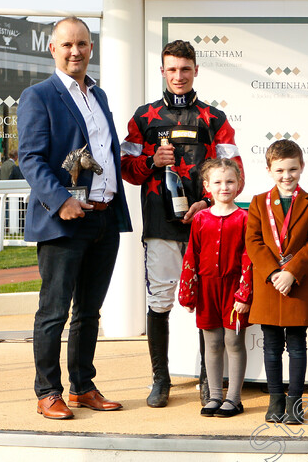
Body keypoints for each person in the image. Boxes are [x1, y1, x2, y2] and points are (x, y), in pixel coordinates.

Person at [18, 16, 132, 420]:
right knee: (53, 312)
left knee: (89, 312)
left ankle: (82, 386)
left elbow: (107, 154)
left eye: (82, 44)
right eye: (67, 45)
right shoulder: (39, 96)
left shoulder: (98, 96)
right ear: (52, 49)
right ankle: (48, 391)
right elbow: (29, 159)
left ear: (91, 48)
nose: (75, 51)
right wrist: (61, 199)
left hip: (104, 218)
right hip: (64, 220)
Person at [121, 40, 243, 408]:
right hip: (160, 224)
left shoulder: (214, 118)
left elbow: (236, 172)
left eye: (185, 69)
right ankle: (161, 380)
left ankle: (209, 381)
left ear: (195, 71)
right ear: (162, 71)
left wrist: (207, 202)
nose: (178, 76)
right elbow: (126, 170)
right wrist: (152, 162)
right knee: (160, 302)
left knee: (209, 302)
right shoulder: (143, 118)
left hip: (207, 226)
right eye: (171, 69)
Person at [246, 140, 308, 425]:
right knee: (270, 346)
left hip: (298, 283)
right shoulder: (258, 202)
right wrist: (273, 272)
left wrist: (291, 272)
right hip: (269, 285)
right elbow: (253, 242)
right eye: (279, 170)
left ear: (302, 167)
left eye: (292, 169)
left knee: (296, 346)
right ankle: (275, 400)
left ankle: (295, 404)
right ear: (269, 170)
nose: (286, 175)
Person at [178, 158, 252, 417]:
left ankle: (234, 397)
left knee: (233, 340)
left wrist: (244, 293)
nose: (224, 187)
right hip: (207, 288)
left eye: (230, 181)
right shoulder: (200, 219)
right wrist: (188, 293)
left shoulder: (245, 217)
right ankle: (214, 395)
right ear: (207, 186)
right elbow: (192, 255)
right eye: (218, 182)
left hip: (234, 289)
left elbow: (249, 257)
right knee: (212, 343)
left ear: (239, 184)